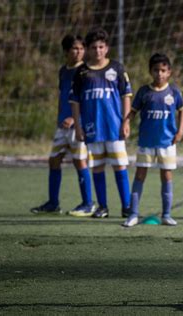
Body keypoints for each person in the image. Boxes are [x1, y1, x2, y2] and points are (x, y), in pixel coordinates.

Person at [69, 28, 133, 218]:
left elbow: (126, 96)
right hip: (92, 128)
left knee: (119, 165)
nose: (98, 51)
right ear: (88, 49)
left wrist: (126, 121)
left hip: (114, 127)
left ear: (107, 48)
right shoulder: (82, 72)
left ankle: (127, 206)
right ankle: (102, 206)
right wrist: (78, 127)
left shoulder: (117, 68)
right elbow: (75, 101)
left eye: (101, 47)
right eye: (94, 47)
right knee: (97, 166)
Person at [30, 34, 95, 216]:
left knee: (80, 162)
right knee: (54, 161)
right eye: (75, 48)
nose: (79, 52)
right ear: (66, 51)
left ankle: (88, 203)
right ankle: (53, 203)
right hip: (62, 125)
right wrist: (61, 117)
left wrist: (75, 119)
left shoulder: (86, 71)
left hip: (78, 125)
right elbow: (63, 95)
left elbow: (87, 99)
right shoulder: (63, 71)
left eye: (82, 48)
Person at [122, 53, 183, 227]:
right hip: (146, 142)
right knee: (140, 175)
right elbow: (133, 111)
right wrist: (126, 122)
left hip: (167, 142)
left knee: (166, 176)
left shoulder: (174, 92)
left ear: (169, 72)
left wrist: (180, 130)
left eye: (163, 70)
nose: (160, 73)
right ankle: (133, 214)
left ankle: (166, 215)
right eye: (156, 70)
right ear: (151, 71)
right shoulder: (144, 91)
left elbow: (182, 110)